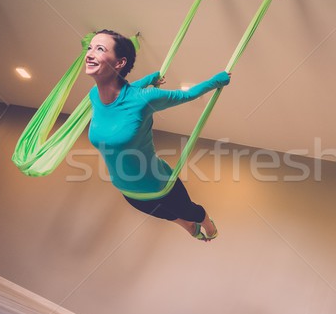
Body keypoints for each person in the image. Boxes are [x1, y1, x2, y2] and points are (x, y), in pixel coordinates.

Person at [85, 29, 231, 242]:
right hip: (127, 191)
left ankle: (208, 225)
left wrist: (216, 81)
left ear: (119, 63)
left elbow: (186, 95)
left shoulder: (145, 98)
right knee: (167, 215)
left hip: (160, 184)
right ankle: (189, 227)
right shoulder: (94, 96)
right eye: (90, 47)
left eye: (100, 49)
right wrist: (148, 78)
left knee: (190, 211)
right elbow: (122, 94)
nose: (89, 53)